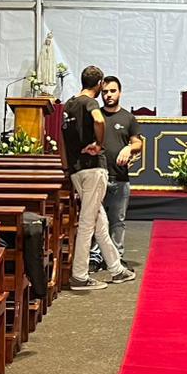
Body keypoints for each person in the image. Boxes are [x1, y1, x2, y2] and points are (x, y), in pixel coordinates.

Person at [64, 65, 135, 290]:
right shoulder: (91, 103)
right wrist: (99, 144)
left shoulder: (69, 105)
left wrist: (67, 168)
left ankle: (116, 269)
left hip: (75, 169)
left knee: (100, 221)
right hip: (92, 168)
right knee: (87, 224)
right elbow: (99, 120)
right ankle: (79, 276)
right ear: (99, 84)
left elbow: (62, 139)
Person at [95, 75, 143, 270]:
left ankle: (116, 257)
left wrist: (129, 148)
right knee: (96, 221)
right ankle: (95, 257)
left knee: (118, 221)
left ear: (120, 92)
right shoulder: (96, 116)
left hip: (120, 177)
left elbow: (138, 142)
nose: (108, 95)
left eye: (112, 91)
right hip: (98, 177)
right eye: (105, 92)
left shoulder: (128, 118)